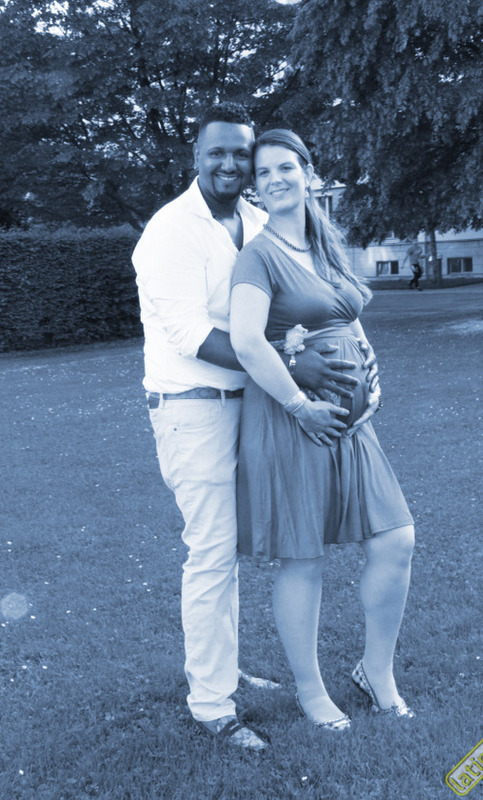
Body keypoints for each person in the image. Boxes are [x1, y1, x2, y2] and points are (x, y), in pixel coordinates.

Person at [132, 104, 377, 751]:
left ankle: (225, 668)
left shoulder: (257, 220)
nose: (229, 164)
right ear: (195, 156)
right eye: (216, 152)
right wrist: (290, 364)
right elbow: (191, 333)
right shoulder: (168, 231)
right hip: (194, 407)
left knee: (236, 550)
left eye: (240, 153)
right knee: (212, 553)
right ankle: (213, 704)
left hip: (255, 404)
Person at [230, 129, 416, 730]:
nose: (275, 180)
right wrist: (298, 405)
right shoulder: (258, 256)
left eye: (286, 167)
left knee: (396, 539)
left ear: (308, 173)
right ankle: (311, 693)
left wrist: (372, 370)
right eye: (263, 173)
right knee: (302, 557)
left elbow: (347, 316)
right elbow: (246, 341)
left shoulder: (325, 245)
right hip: (294, 423)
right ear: (255, 189)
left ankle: (376, 672)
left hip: (353, 424)